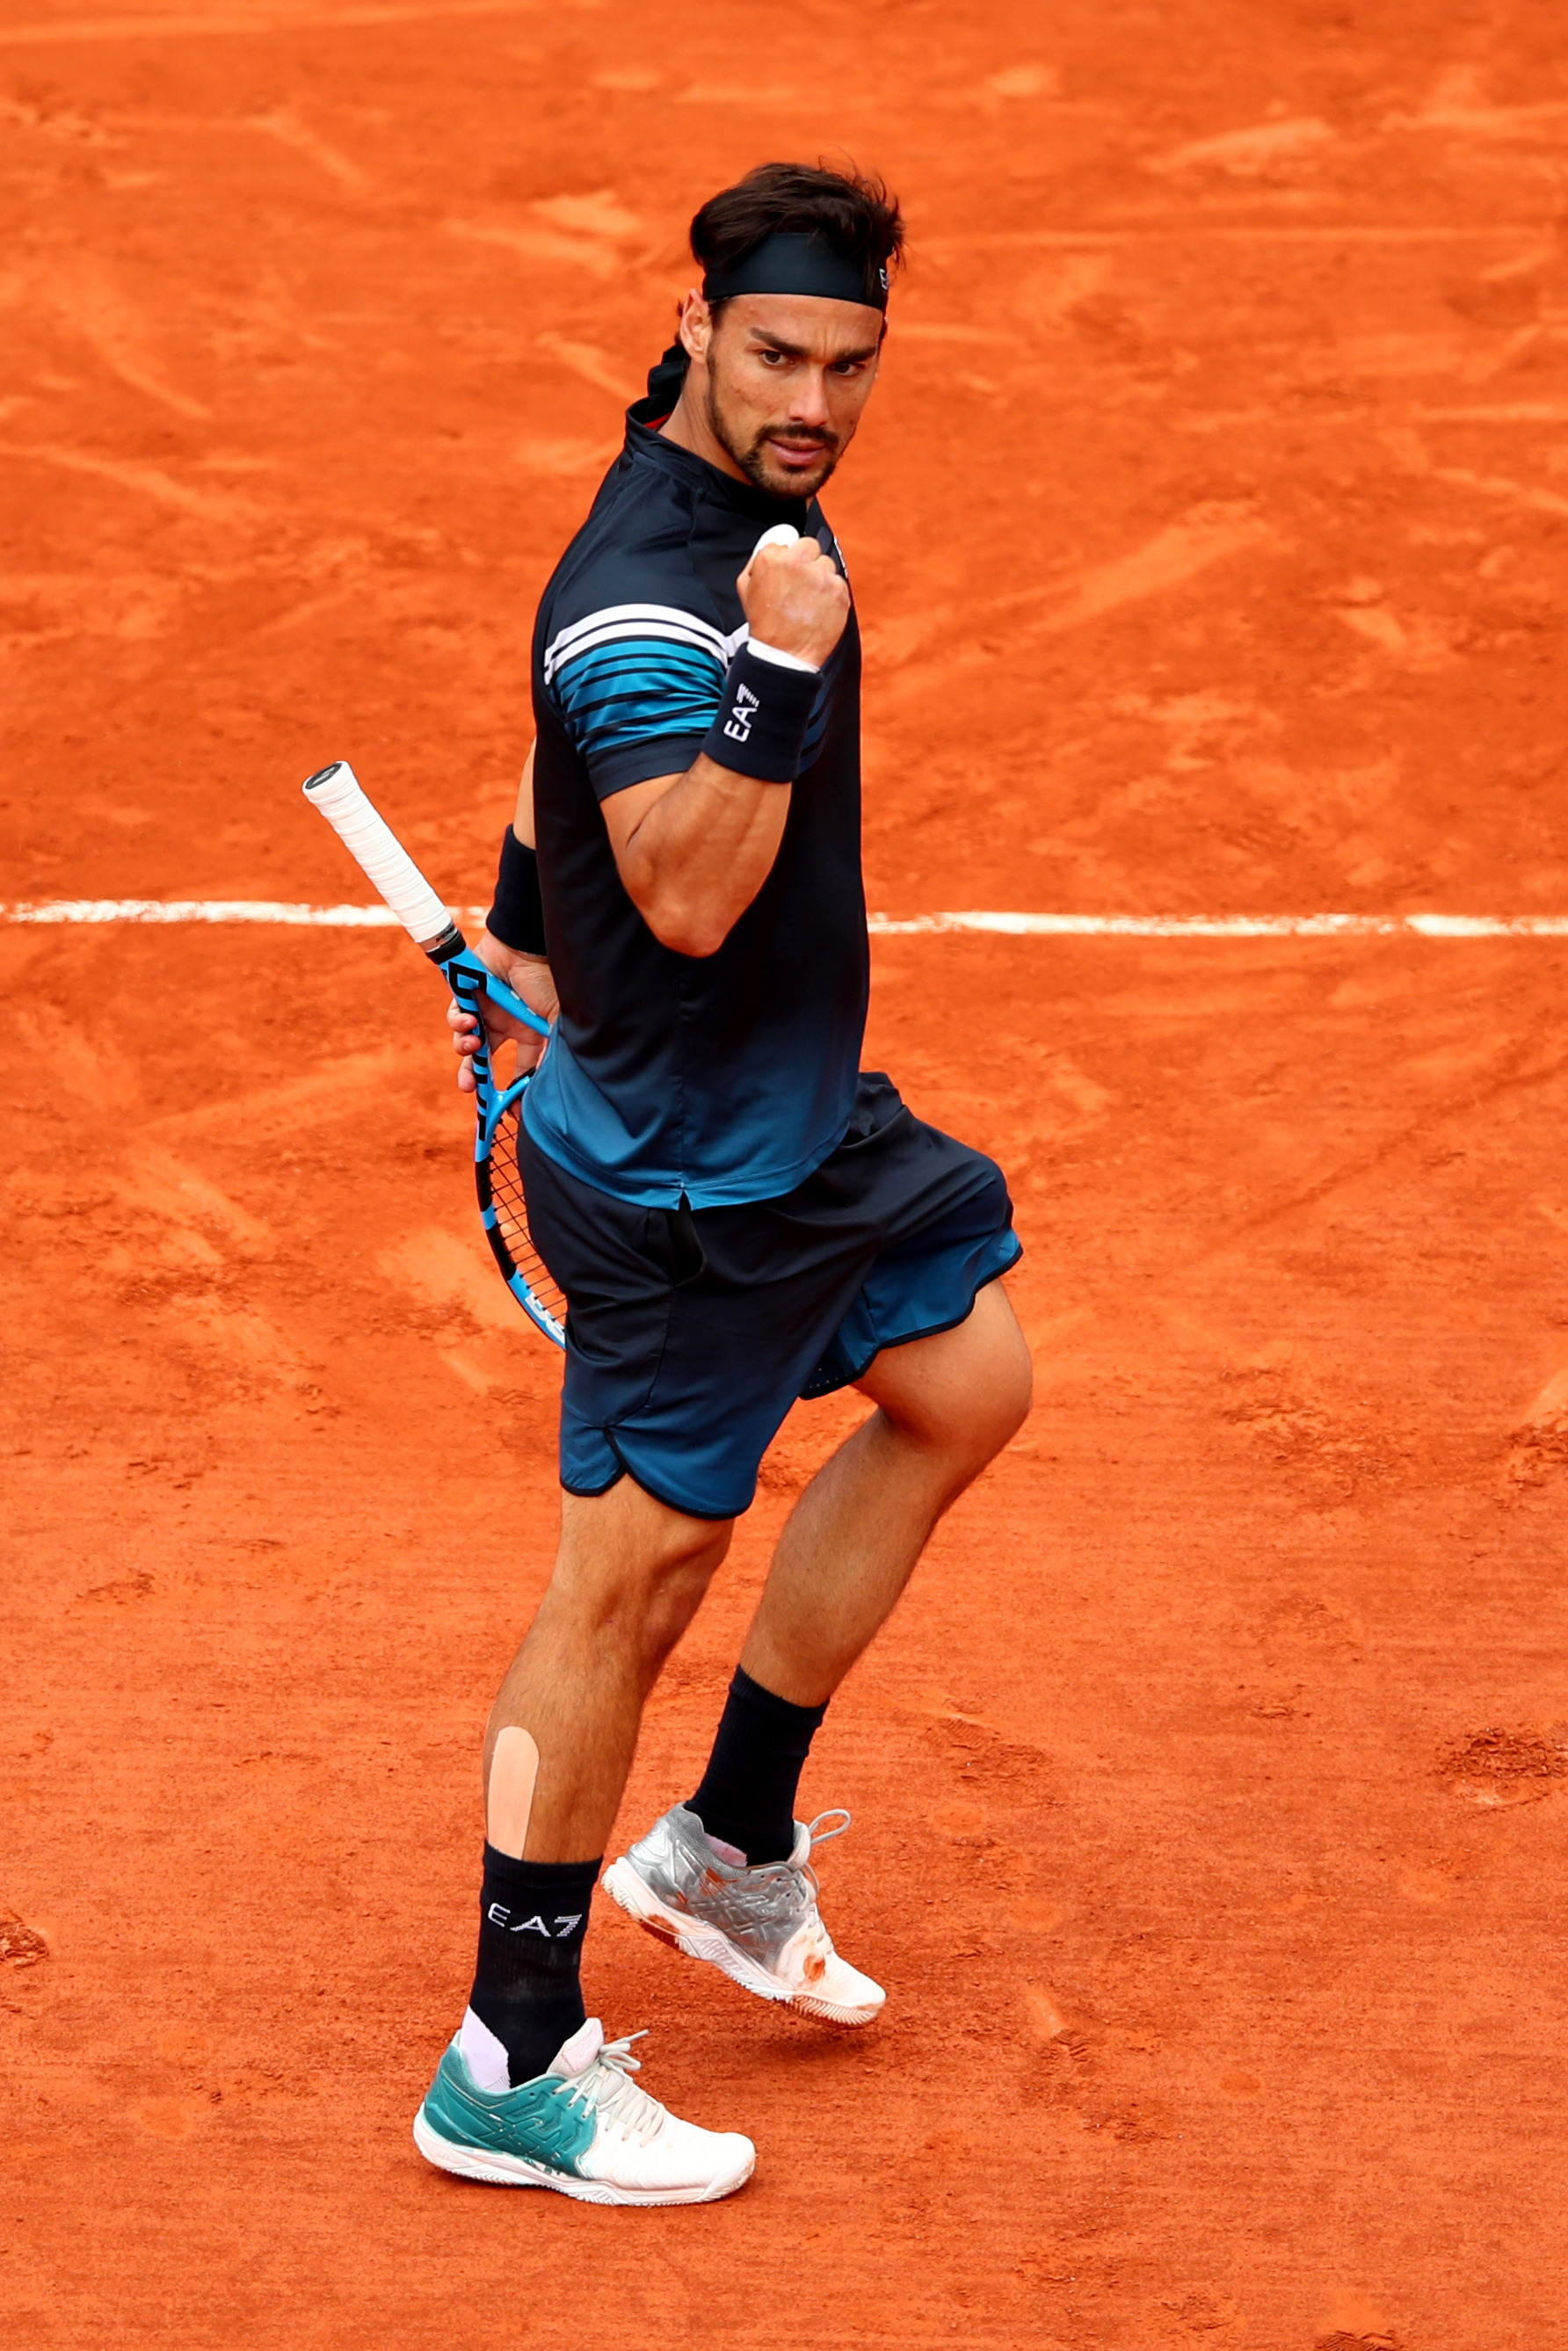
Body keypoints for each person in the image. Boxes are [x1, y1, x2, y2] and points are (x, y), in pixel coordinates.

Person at [413, 159, 1033, 2206]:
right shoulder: (655, 601)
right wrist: (771, 668)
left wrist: (522, 918)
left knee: (966, 1384)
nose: (816, 404)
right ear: (691, 325)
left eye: (851, 363)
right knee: (628, 1586)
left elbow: (552, 774)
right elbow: (682, 892)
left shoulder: (732, 483)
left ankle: (726, 1847)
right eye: (775, 356)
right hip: (688, 1180)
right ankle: (508, 2054)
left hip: (801, 1124)